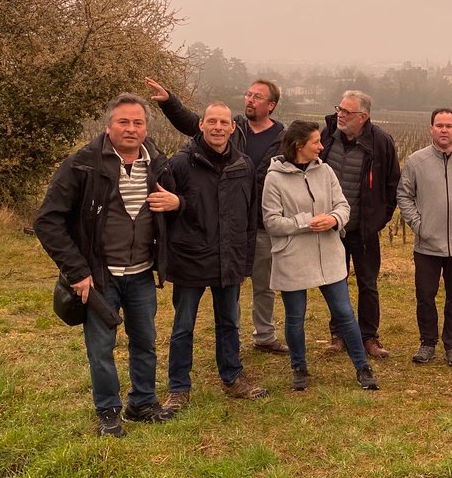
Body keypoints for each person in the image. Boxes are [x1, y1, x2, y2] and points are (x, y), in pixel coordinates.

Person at [34, 93, 178, 437]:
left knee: (145, 340)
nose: (131, 129)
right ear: (108, 125)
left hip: (142, 273)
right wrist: (77, 271)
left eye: (138, 122)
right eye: (123, 122)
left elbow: (177, 207)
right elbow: (47, 221)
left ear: (146, 128)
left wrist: (177, 202)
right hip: (99, 277)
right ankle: (109, 411)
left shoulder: (158, 163)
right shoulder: (82, 164)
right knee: (101, 348)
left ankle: (142, 403)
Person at [145, 76, 290, 355]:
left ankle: (264, 335)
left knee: (264, 284)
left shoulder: (282, 137)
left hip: (262, 221)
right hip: (222, 222)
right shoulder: (234, 130)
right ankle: (229, 344)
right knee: (224, 297)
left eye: (257, 96)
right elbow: (195, 124)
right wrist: (171, 102)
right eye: (248, 94)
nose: (250, 99)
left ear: (271, 105)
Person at [162, 103, 267, 413]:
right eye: (212, 121)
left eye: (224, 122)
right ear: (201, 125)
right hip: (191, 258)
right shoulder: (180, 164)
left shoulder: (243, 165)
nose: (218, 127)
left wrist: (245, 259)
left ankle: (232, 377)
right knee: (183, 325)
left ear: (232, 128)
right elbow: (166, 210)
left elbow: (249, 217)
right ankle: (178, 388)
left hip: (229, 258)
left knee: (228, 323)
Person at [261, 120, 380, 392]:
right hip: (292, 257)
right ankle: (299, 368)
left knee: (344, 312)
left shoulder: (325, 171)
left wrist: (334, 219)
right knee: (295, 316)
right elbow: (272, 222)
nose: (321, 146)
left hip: (328, 254)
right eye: (315, 142)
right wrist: (307, 222)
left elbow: (343, 205)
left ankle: (362, 367)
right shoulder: (274, 178)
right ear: (298, 146)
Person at [396, 108, 452, 368]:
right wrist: (418, 224)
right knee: (425, 295)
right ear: (431, 129)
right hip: (427, 244)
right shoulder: (416, 161)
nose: (444, 130)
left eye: (449, 125)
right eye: (439, 125)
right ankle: (427, 343)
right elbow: (404, 195)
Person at [320, 90, 400, 359]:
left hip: (365, 229)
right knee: (335, 281)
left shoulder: (381, 142)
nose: (340, 115)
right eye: (339, 109)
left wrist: (379, 219)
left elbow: (392, 185)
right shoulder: (327, 136)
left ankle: (369, 336)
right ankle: (338, 333)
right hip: (333, 227)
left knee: (368, 283)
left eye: (346, 111)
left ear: (363, 117)